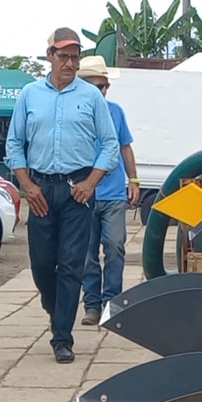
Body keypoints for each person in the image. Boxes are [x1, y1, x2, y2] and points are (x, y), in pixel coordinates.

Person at [5, 27, 119, 364]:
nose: (69, 62)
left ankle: (62, 337)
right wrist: (26, 184)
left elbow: (110, 144)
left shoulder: (91, 96)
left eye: (74, 56)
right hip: (39, 189)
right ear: (50, 56)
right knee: (42, 265)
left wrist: (92, 182)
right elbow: (14, 144)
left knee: (70, 266)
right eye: (63, 55)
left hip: (77, 191)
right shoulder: (29, 94)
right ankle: (55, 310)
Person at [76, 56, 140, 326]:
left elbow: (125, 146)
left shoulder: (115, 112)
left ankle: (112, 303)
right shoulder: (74, 113)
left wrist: (133, 180)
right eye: (99, 86)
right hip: (83, 194)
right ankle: (92, 304)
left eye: (106, 86)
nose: (104, 91)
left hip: (113, 194)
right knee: (86, 253)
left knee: (115, 247)